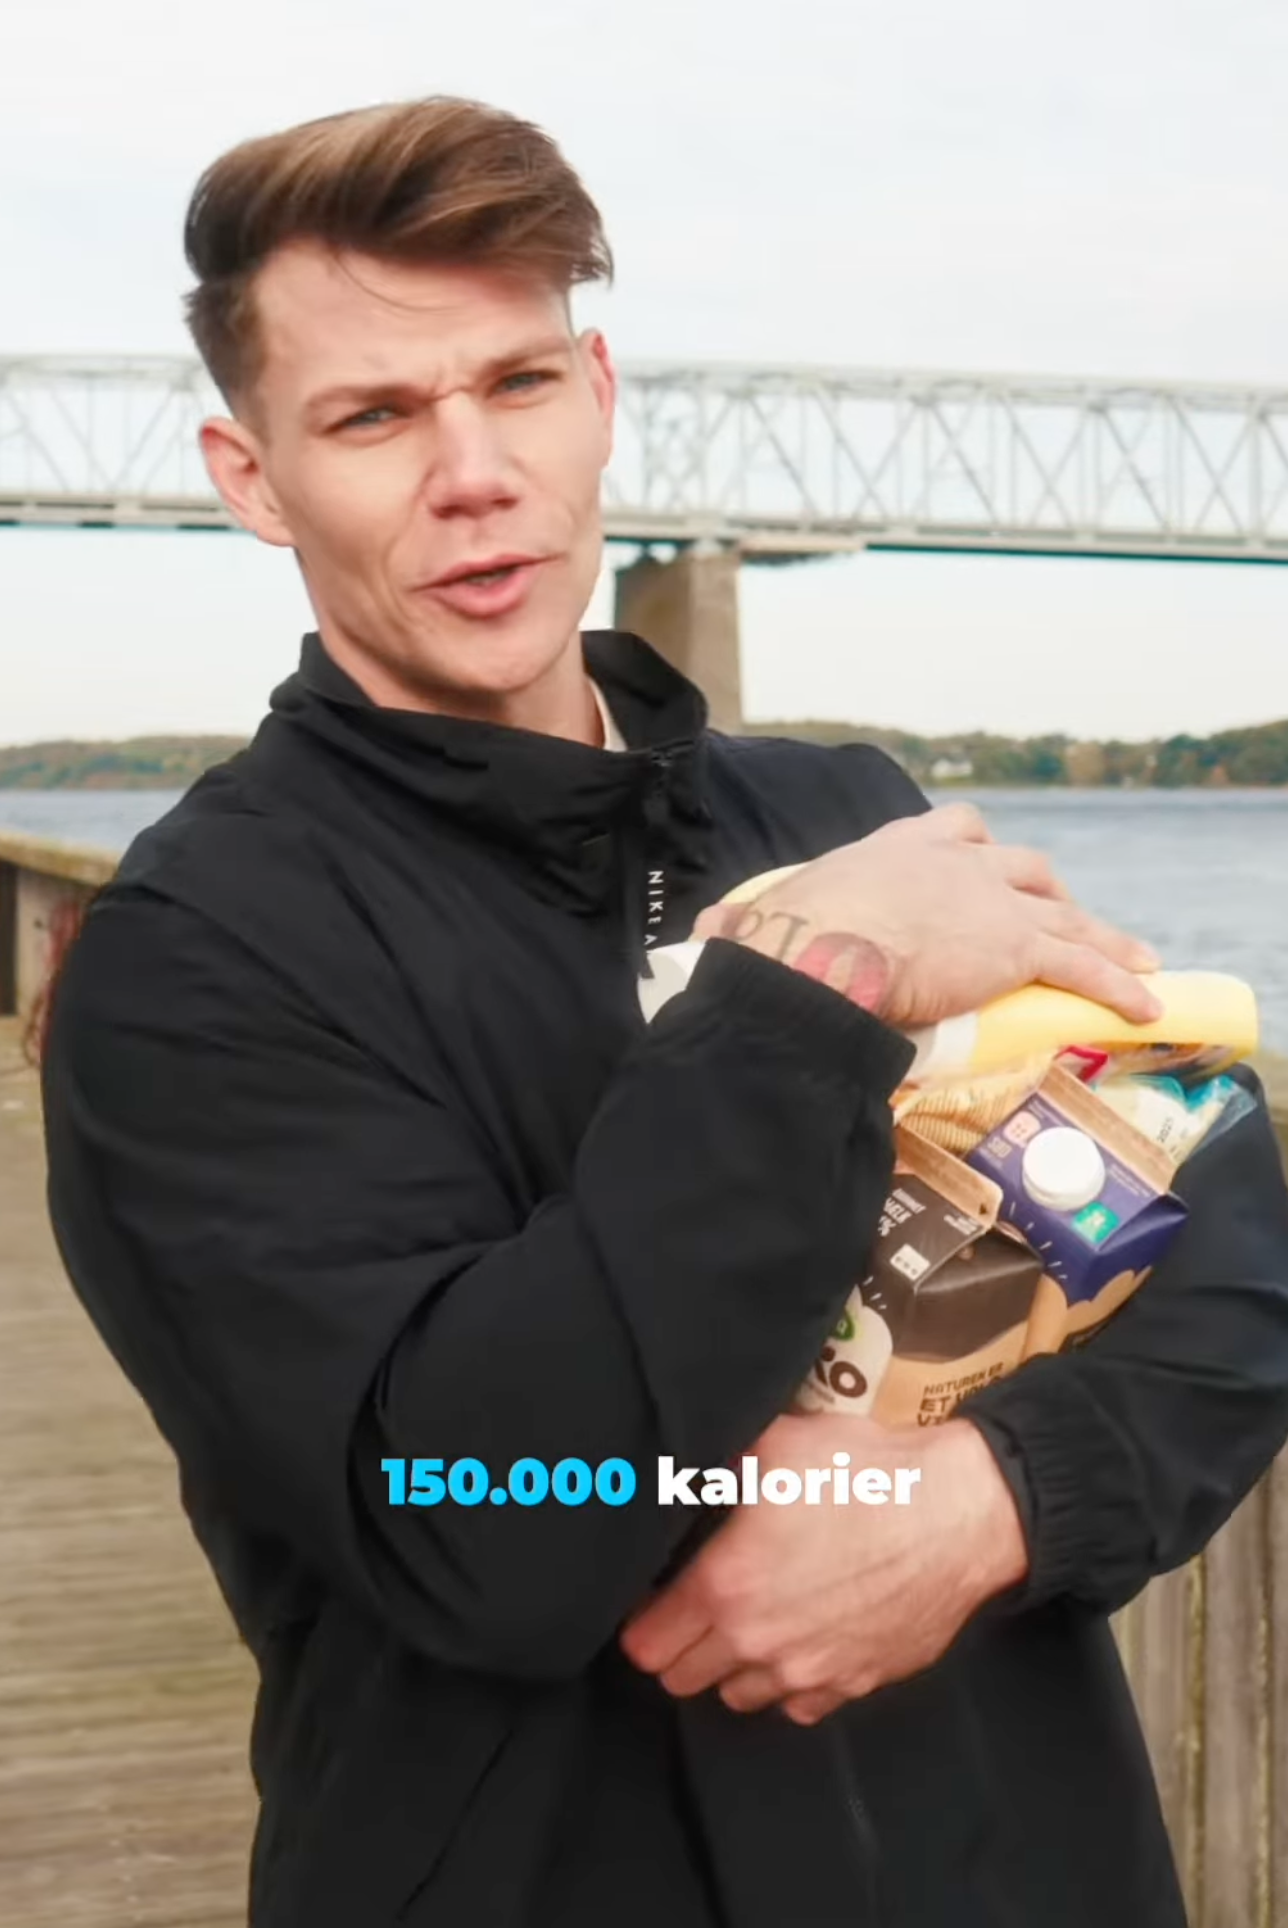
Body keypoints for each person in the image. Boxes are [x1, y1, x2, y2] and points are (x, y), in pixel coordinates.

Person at [40, 97, 1288, 1928]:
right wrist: (809, 990)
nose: (476, 472)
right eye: (375, 417)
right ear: (255, 478)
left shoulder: (848, 811)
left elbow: (1226, 1237)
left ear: (601, 393)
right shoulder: (194, 960)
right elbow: (485, 1513)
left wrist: (991, 1503)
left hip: (1017, 1867)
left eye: (518, 383)